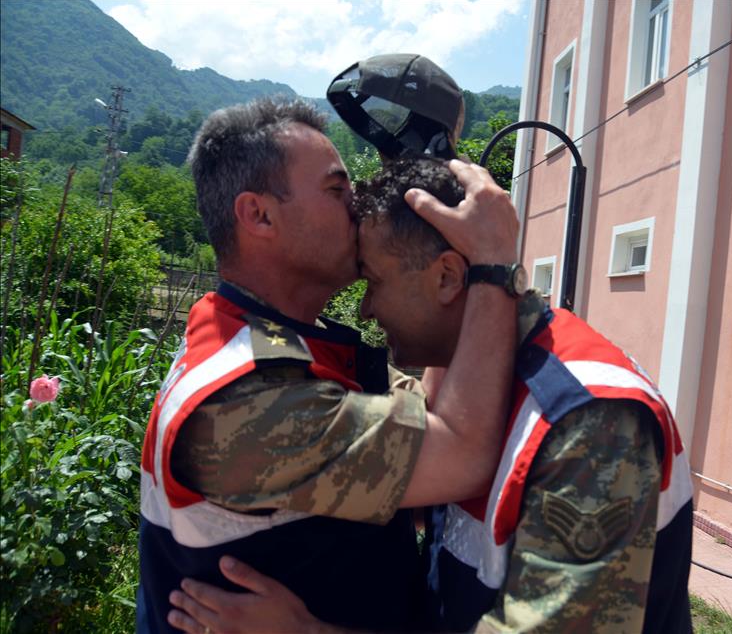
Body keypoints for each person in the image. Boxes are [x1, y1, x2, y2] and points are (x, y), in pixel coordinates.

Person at [166, 159, 696, 634]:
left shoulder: (589, 422)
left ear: (446, 276)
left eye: (372, 281)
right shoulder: (479, 387)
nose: (366, 311)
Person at [137, 98, 522, 634]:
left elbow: (428, 419)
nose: (357, 206)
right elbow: (459, 455)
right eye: (337, 190)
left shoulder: (271, 345)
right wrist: (493, 262)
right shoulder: (247, 399)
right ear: (259, 215)